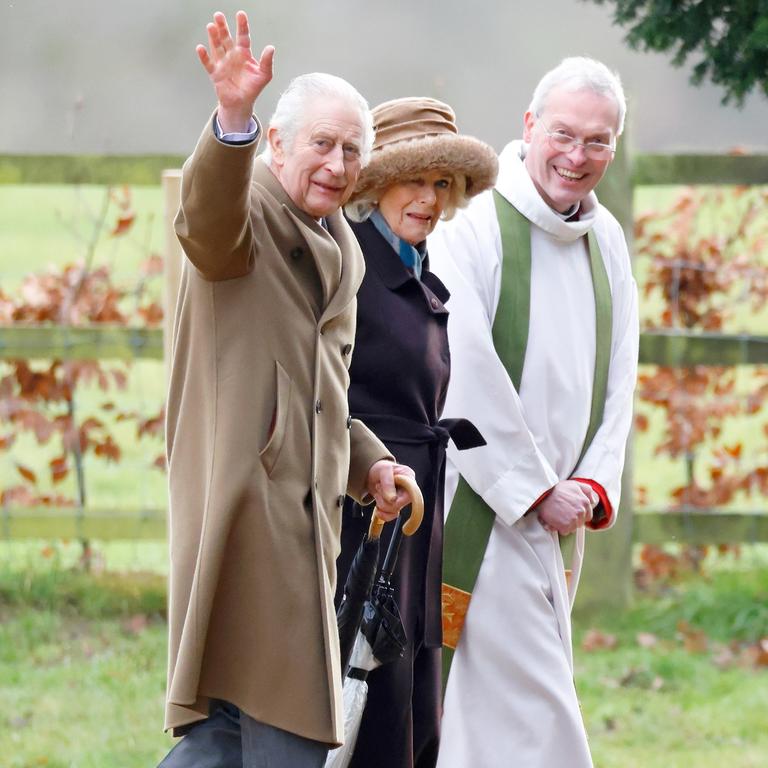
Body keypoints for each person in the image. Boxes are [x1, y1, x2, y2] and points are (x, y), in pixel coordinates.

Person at [160, 11, 417, 768]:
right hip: (245, 513)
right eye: (321, 144)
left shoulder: (343, 244)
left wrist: (366, 461)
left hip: (308, 520)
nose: (338, 164)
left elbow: (320, 387)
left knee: (225, 735)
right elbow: (204, 223)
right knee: (291, 730)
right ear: (276, 143)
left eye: (352, 150)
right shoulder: (246, 219)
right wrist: (231, 119)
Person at [427, 57, 639, 767]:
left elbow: (620, 380)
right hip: (485, 509)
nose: (577, 157)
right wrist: (536, 490)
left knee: (497, 719)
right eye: (564, 134)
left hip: (559, 521)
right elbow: (461, 369)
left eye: (598, 142)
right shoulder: (475, 225)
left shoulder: (605, 241)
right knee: (537, 725)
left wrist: (590, 485)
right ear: (529, 126)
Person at [333, 98, 496, 768]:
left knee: (417, 690)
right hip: (364, 513)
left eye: (441, 184)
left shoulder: (416, 261)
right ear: (375, 183)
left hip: (418, 505)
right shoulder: (352, 261)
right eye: (413, 180)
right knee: (367, 688)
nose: (429, 199)